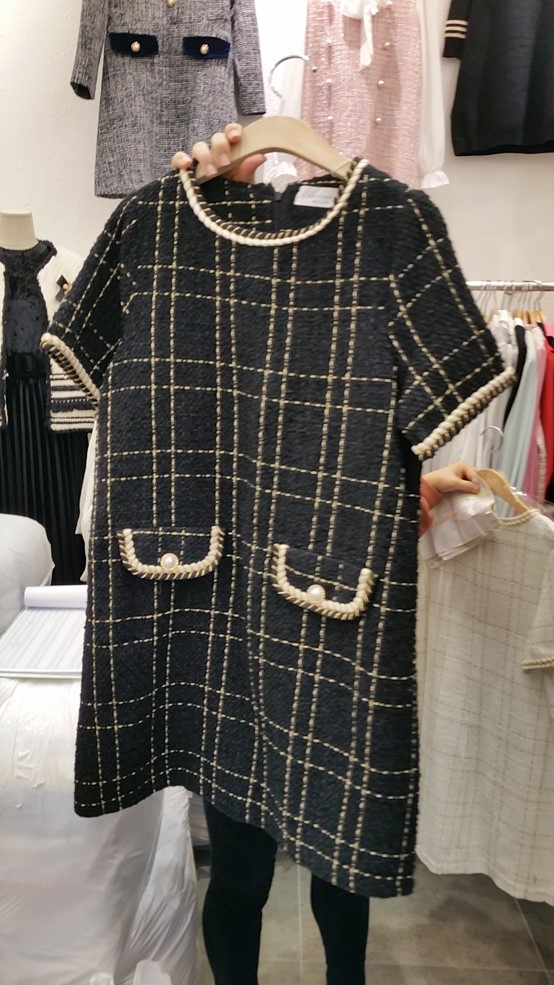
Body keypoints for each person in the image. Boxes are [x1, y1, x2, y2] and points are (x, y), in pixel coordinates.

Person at [168, 124, 483, 985]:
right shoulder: (183, 249)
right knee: (241, 871)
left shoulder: (389, 236)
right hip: (229, 622)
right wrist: (193, 202)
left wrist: (418, 486)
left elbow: (402, 420)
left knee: (342, 866)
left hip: (338, 617)